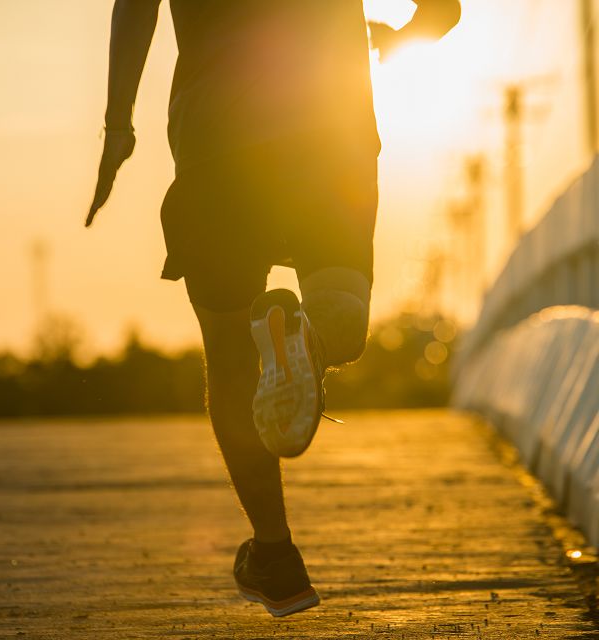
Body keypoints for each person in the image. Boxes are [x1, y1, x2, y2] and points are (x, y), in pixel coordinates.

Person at [86, 0, 461, 618]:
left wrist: (118, 125)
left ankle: (276, 557)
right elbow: (443, 10)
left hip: (217, 139)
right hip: (329, 134)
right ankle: (309, 339)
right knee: (342, 314)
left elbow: (135, 7)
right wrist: (400, 39)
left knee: (231, 355)